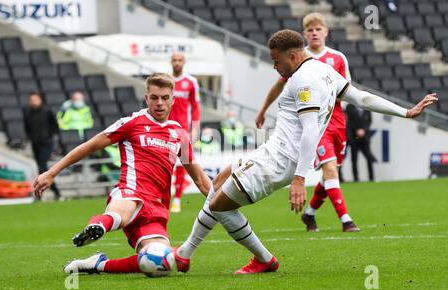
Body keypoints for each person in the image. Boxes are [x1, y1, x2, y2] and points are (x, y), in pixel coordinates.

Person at [173, 29, 437, 275]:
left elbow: (310, 130)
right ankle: (185, 254)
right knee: (220, 179)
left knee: (220, 206)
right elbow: (362, 98)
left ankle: (264, 260)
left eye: (276, 61)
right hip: (271, 150)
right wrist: (405, 112)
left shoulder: (303, 81)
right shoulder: (323, 70)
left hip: (279, 161)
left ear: (293, 55)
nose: (275, 67)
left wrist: (299, 179)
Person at [33, 73, 211, 275]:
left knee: (162, 263)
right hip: (130, 192)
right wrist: (52, 172)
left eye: (164, 98)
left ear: (173, 100)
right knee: (120, 213)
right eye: (154, 98)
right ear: (146, 98)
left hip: (156, 209)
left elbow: (199, 179)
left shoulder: (180, 135)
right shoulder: (131, 123)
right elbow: (90, 146)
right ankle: (98, 225)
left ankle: (97, 264)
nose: (159, 103)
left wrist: (221, 202)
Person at [256, 12, 360, 233]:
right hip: (314, 122)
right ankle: (346, 221)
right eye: (310, 30)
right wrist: (264, 109)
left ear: (325, 32)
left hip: (337, 121)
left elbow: (346, 90)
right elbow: (279, 85)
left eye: (318, 29)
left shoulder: (337, 58)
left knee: (330, 173)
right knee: (330, 169)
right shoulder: (295, 59)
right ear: (305, 34)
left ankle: (310, 214)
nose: (314, 33)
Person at [168, 52, 201, 213]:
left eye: (180, 60)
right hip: (165, 128)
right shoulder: (165, 81)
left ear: (184, 62)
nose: (177, 63)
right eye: (174, 60)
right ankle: (164, 196)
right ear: (171, 62)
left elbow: (195, 107)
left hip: (182, 129)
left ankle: (178, 199)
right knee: (165, 163)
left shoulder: (191, 82)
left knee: (182, 163)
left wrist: (194, 129)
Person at [23, 92, 63, 201]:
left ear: (40, 100)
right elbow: (27, 128)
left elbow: (55, 126)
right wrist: (31, 137)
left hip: (47, 143)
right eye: (31, 100)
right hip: (35, 144)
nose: (33, 102)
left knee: (42, 167)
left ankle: (50, 193)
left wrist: (52, 138)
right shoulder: (27, 113)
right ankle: (54, 193)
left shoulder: (47, 111)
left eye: (35, 99)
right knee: (42, 169)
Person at [346, 103, 375, 182]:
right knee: (354, 159)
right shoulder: (349, 107)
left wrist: (364, 130)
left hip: (365, 138)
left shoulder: (366, 107)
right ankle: (356, 178)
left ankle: (371, 178)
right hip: (354, 137)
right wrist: (357, 131)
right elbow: (350, 122)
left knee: (369, 157)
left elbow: (369, 121)